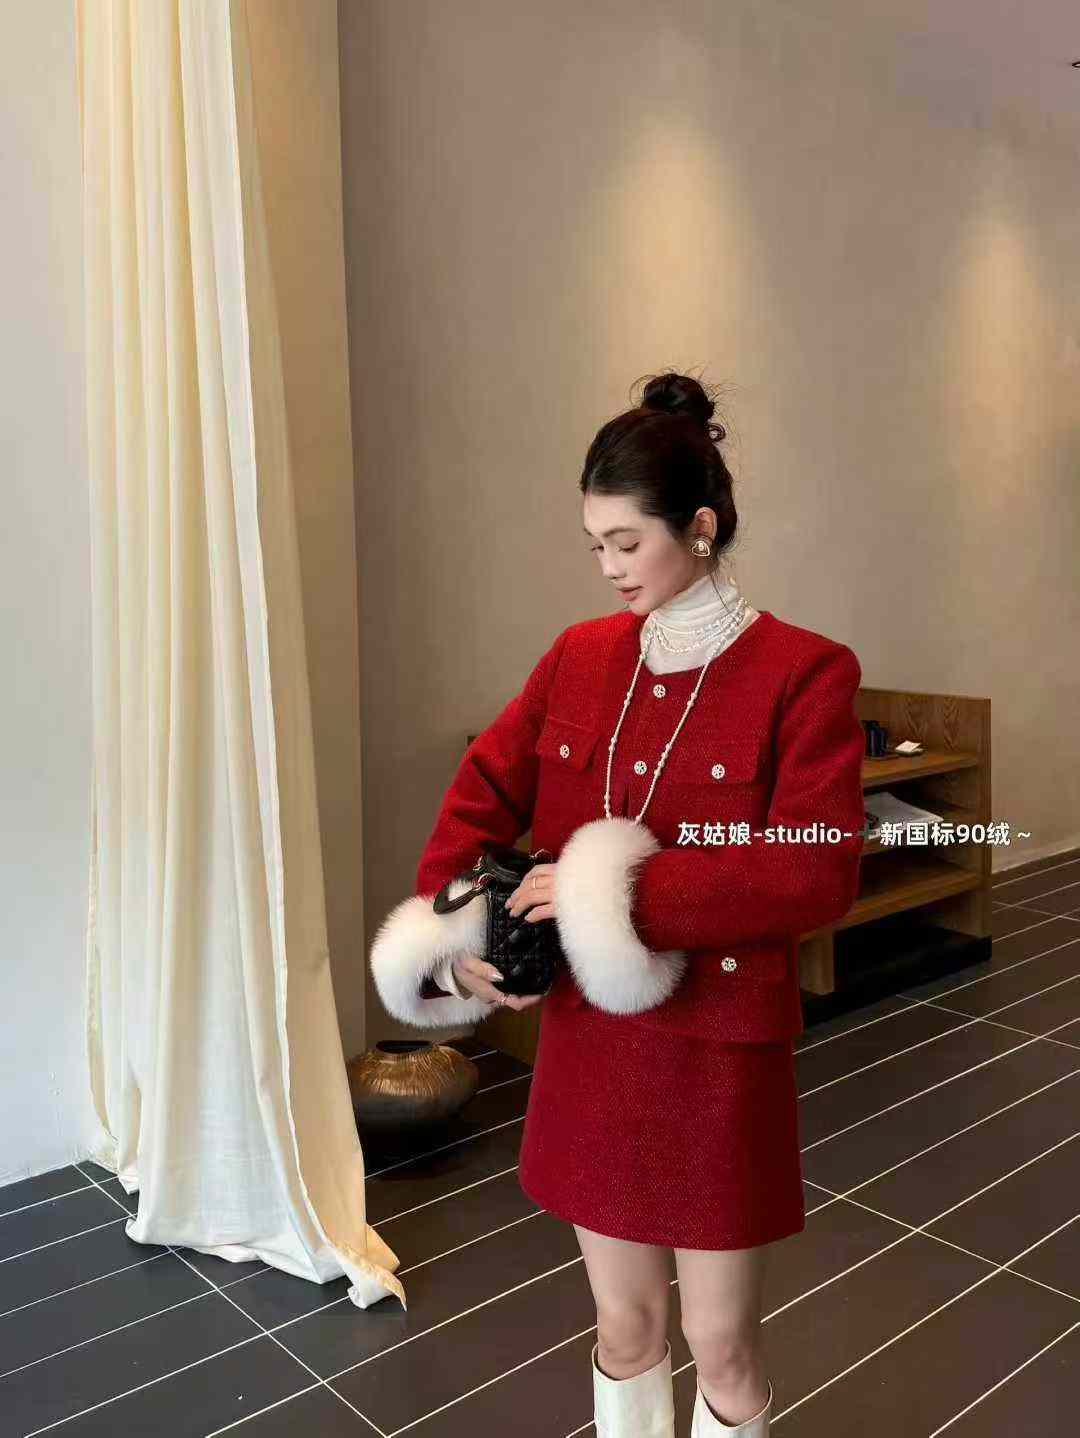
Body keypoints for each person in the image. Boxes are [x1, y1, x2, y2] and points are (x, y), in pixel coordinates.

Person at [369, 371, 866, 1436]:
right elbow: (481, 792)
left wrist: (615, 889)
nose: (608, 567)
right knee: (625, 1325)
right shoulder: (579, 658)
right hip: (593, 1046)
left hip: (719, 1052)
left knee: (724, 1346)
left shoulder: (804, 671)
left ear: (701, 526)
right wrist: (455, 932)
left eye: (627, 542)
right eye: (595, 544)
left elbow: (817, 867)